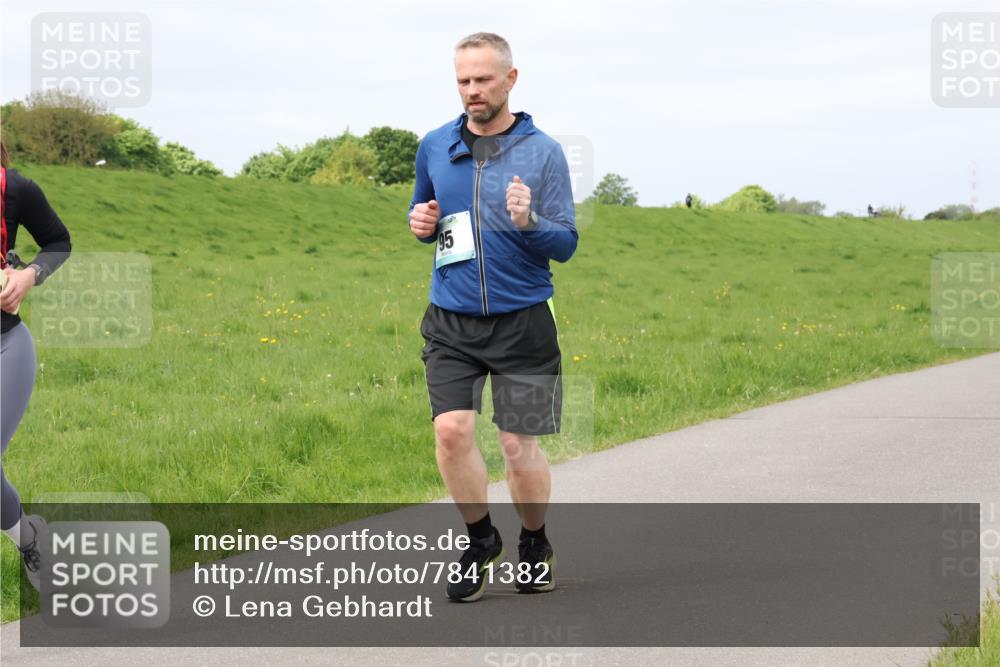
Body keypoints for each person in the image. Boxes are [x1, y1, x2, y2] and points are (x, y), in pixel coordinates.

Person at [407, 32, 577, 602]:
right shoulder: (434, 144)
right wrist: (419, 224)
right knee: (452, 432)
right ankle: (480, 539)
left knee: (516, 445)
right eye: (463, 80)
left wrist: (531, 222)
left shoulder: (544, 152)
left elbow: (567, 243)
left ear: (510, 79)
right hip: (451, 319)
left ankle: (535, 542)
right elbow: (426, 211)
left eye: (482, 79)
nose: (472, 91)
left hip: (524, 320)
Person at [0, 138, 72, 590]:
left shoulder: (17, 191)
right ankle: (29, 535)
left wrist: (27, 274)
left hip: (6, 347)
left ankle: (29, 542)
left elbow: (58, 241)